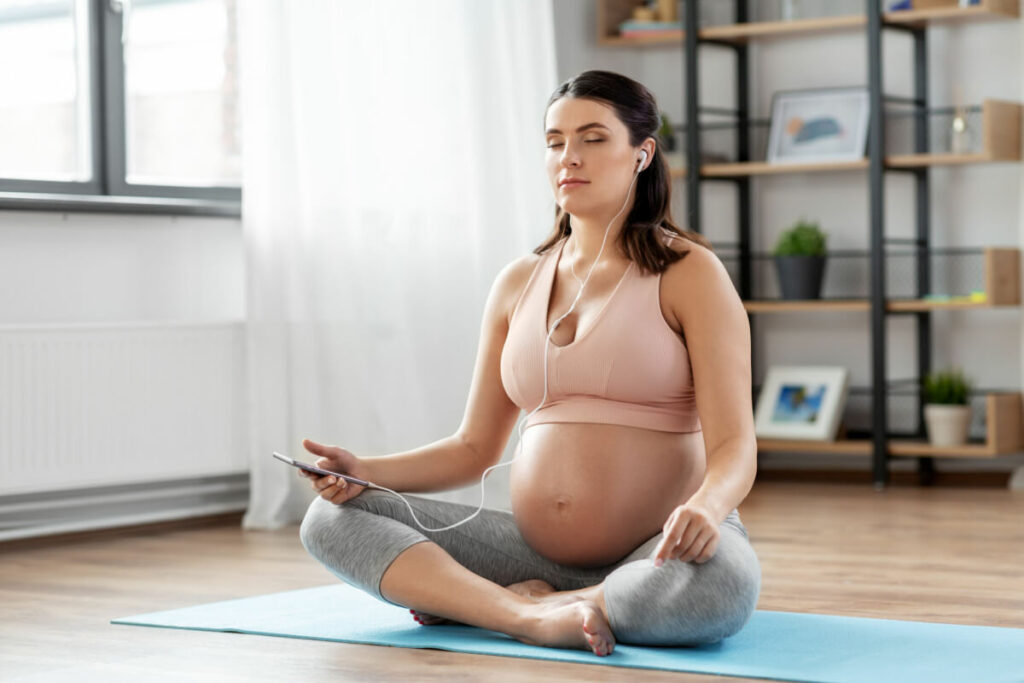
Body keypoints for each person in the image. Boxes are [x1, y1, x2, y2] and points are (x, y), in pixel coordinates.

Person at [297, 70, 761, 657]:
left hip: (658, 548)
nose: (570, 157)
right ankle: (527, 612)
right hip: (529, 551)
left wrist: (707, 507)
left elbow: (735, 450)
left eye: (593, 138)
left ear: (641, 154)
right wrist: (362, 470)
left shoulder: (688, 272)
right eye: (554, 141)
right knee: (329, 520)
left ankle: (511, 604)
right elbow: (473, 448)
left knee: (721, 589)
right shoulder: (518, 281)